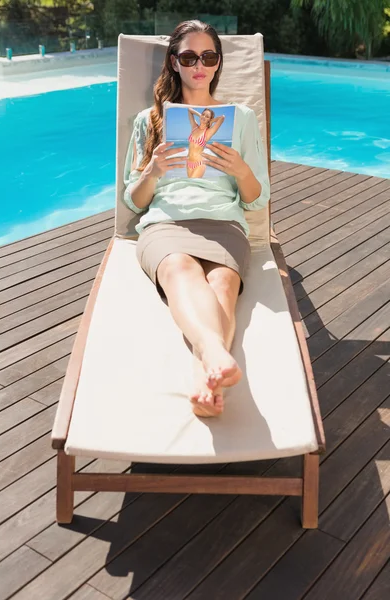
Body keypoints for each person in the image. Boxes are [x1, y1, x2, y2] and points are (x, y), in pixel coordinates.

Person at [123, 20, 270, 418]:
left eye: (208, 56)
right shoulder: (149, 121)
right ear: (174, 62)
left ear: (218, 62)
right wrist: (152, 172)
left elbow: (258, 200)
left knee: (223, 280)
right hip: (166, 224)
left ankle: (203, 374)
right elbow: (133, 202)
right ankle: (213, 361)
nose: (199, 65)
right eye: (189, 57)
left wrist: (241, 171)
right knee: (179, 268)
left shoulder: (240, 118)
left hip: (224, 224)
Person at [186, 107, 225, 178]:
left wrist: (211, 121)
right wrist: (200, 115)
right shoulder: (194, 127)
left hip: (199, 164)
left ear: (209, 119)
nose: (204, 117)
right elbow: (189, 110)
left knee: (192, 185)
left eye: (207, 116)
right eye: (203, 114)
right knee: (191, 187)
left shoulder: (208, 132)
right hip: (189, 162)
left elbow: (222, 118)